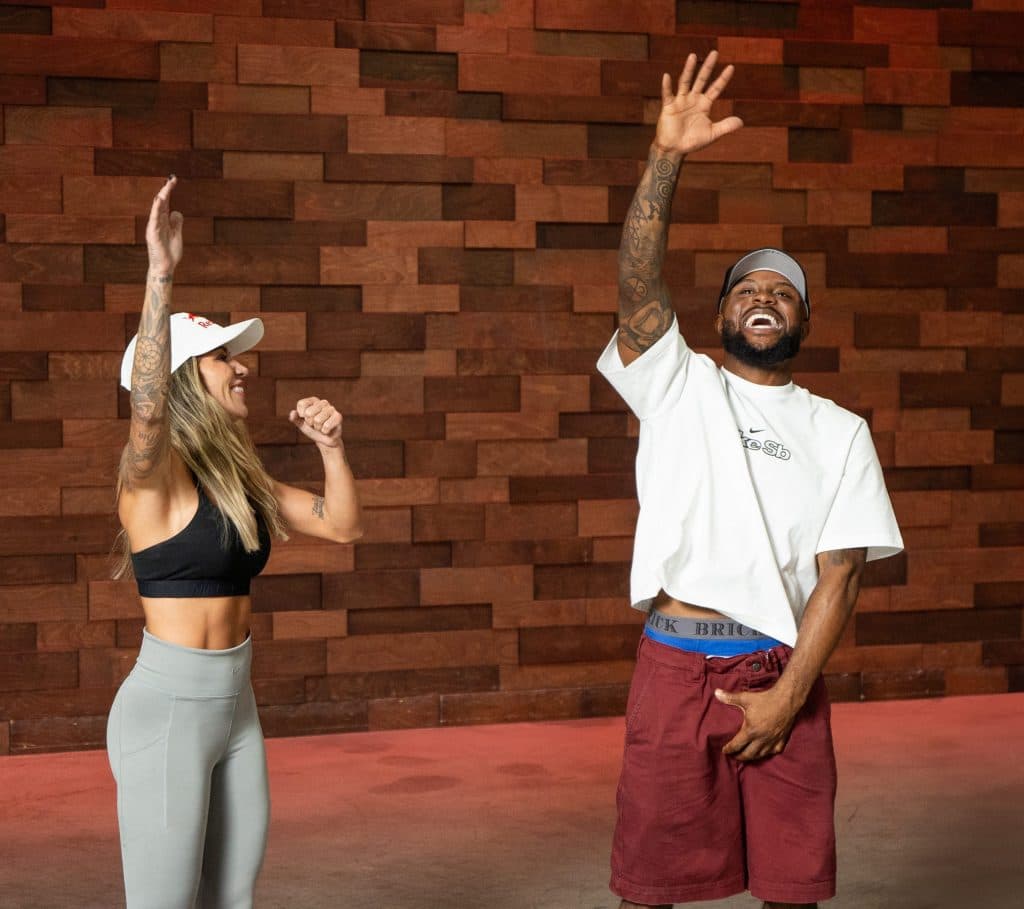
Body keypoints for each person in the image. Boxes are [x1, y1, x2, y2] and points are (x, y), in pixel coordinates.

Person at [597, 52, 903, 909]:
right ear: (722, 312)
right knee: (648, 888)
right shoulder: (678, 382)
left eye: (783, 291)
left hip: (781, 668)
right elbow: (636, 285)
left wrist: (787, 698)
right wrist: (666, 157)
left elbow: (842, 576)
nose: (763, 296)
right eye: (746, 288)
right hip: (675, 663)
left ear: (803, 319)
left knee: (792, 890)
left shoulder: (839, 431)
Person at [107, 176, 363, 908]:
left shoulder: (239, 481)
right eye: (222, 356)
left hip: (235, 708)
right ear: (187, 380)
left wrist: (333, 449)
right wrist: (160, 274)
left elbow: (342, 524)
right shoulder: (151, 482)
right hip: (166, 712)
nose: (242, 364)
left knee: (233, 898)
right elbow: (147, 410)